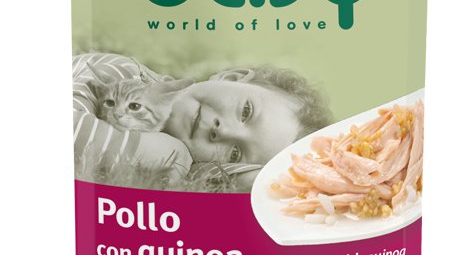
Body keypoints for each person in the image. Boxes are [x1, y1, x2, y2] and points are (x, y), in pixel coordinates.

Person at [73, 52, 332, 190]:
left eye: (234, 153)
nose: (223, 131)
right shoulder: (119, 73)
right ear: (231, 78)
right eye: (245, 112)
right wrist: (165, 152)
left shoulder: (190, 169)